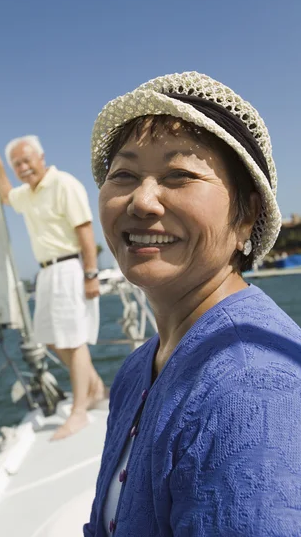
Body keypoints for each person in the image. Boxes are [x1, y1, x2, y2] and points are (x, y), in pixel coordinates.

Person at [84, 71, 301, 535]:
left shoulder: (252, 390)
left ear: (247, 217)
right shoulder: (138, 368)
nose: (142, 201)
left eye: (179, 175)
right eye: (123, 174)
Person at [0, 135, 104, 440]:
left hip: (68, 268)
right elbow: (6, 195)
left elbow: (85, 230)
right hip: (46, 274)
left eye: (26, 161)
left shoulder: (64, 184)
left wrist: (91, 274)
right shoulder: (28, 194)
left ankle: (79, 411)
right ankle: (95, 386)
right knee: (51, 339)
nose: (23, 168)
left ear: (41, 157)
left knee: (73, 341)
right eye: (16, 164)